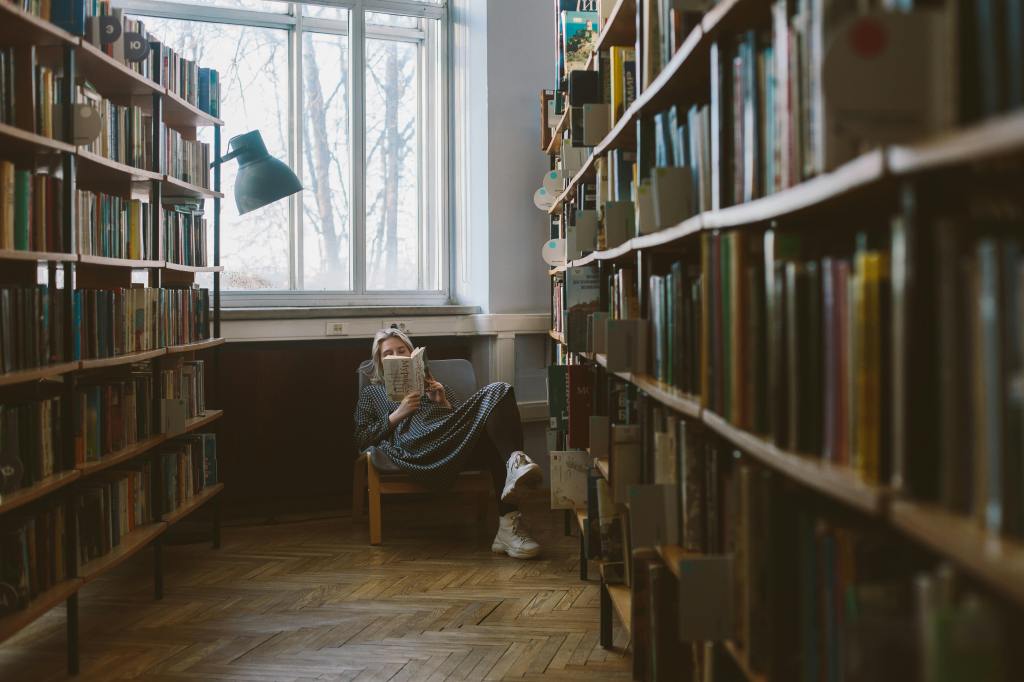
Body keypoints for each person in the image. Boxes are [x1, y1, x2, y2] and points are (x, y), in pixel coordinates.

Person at [354, 328, 544, 559]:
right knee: (496, 411)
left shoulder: (434, 385)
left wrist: (443, 402)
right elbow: (362, 437)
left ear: (413, 354)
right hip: (415, 446)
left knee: (500, 391)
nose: (397, 356)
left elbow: (462, 420)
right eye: (388, 354)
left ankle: (507, 526)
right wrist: (397, 415)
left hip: (449, 442)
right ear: (381, 362)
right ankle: (515, 465)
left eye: (402, 350)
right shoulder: (373, 393)